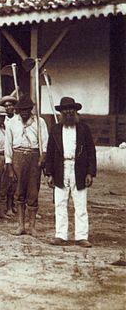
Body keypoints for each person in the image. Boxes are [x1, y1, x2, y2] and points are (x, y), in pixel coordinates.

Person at [44, 97, 96, 248]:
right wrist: (49, 174)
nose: (68, 112)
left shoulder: (83, 129)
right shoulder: (55, 129)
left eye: (71, 109)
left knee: (80, 203)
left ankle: (81, 236)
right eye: (65, 110)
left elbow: (91, 152)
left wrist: (90, 173)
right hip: (61, 168)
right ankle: (61, 235)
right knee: (60, 203)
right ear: (61, 112)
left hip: (79, 169)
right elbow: (50, 154)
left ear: (75, 111)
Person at [5, 97, 48, 236]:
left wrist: (42, 157)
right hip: (17, 156)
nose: (24, 113)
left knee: (33, 191)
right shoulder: (12, 123)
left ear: (31, 110)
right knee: (19, 192)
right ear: (18, 110)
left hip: (34, 156)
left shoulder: (40, 122)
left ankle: (32, 227)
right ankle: (20, 226)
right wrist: (10, 165)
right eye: (21, 110)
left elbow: (44, 141)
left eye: (27, 110)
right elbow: (8, 144)